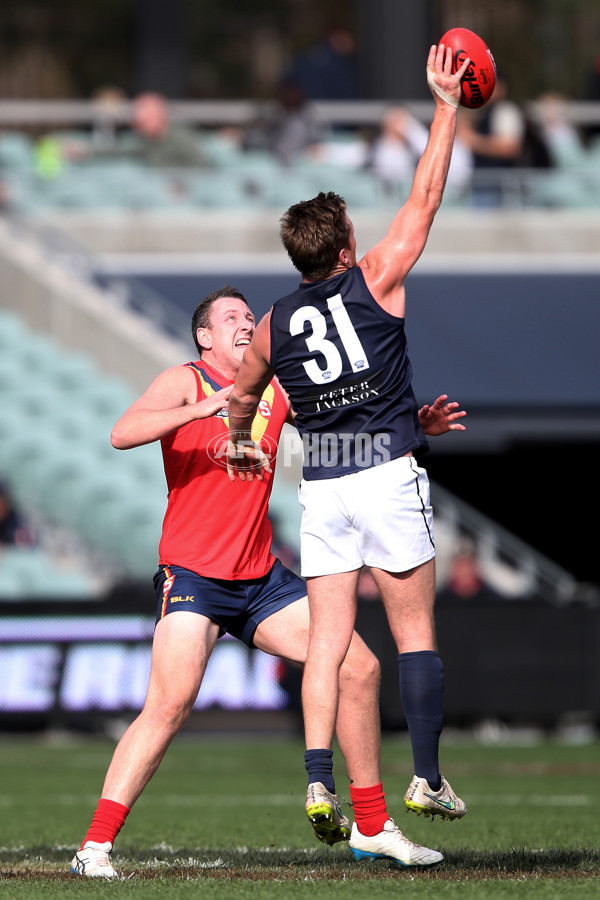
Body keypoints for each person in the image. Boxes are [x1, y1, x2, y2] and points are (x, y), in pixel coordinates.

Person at [70, 285, 465, 879]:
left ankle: (371, 826)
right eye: (232, 317)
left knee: (360, 669)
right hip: (195, 576)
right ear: (204, 336)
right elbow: (123, 432)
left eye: (251, 317)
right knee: (169, 705)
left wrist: (415, 426)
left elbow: (344, 425)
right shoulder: (187, 380)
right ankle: (93, 849)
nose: (246, 323)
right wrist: (206, 408)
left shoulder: (278, 387)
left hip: (259, 579)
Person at [226, 43, 470, 865]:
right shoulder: (375, 279)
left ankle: (319, 778)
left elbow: (244, 395)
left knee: (327, 642)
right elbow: (427, 195)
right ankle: (427, 778)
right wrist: (444, 106)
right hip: (387, 474)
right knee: (414, 634)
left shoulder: (270, 323)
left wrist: (236, 442)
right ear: (341, 250)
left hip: (323, 485)